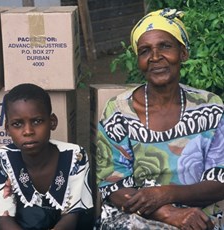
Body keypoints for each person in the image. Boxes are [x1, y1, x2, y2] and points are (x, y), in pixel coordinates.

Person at [95, 8, 224, 230]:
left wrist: (166, 193)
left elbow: (220, 182)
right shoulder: (118, 112)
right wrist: (167, 212)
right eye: (145, 51)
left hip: (202, 213)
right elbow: (112, 186)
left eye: (165, 46)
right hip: (140, 215)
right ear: (139, 61)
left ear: (183, 53)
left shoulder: (210, 108)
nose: (155, 57)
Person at [0, 83, 93, 230]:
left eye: (37, 121)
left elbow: (72, 216)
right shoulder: (1, 159)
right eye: (17, 124)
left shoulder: (75, 156)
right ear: (8, 129)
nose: (28, 131)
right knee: (31, 217)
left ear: (52, 122)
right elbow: (4, 219)